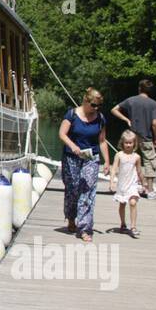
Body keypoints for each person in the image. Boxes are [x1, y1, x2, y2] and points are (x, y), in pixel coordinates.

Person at [57, 88, 110, 242]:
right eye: (93, 105)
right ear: (86, 101)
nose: (96, 108)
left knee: (87, 191)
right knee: (72, 189)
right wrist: (73, 146)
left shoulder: (100, 118)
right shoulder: (72, 115)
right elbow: (62, 134)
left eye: (99, 106)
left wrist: (107, 161)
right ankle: (71, 218)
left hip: (91, 158)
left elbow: (102, 141)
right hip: (71, 157)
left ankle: (85, 228)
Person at [112, 79, 156, 199]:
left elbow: (114, 110)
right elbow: (155, 124)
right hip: (146, 138)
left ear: (139, 88)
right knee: (149, 162)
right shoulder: (153, 104)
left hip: (131, 137)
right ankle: (149, 190)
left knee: (128, 160)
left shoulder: (131, 100)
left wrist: (126, 120)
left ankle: (126, 186)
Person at [110, 130, 145, 238]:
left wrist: (143, 184)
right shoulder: (119, 155)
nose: (128, 145)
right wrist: (112, 182)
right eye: (126, 143)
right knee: (122, 204)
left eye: (130, 143)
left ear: (134, 143)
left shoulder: (137, 157)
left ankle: (133, 227)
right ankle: (123, 224)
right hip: (122, 184)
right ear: (122, 143)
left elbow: (139, 171)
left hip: (132, 184)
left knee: (133, 202)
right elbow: (114, 168)